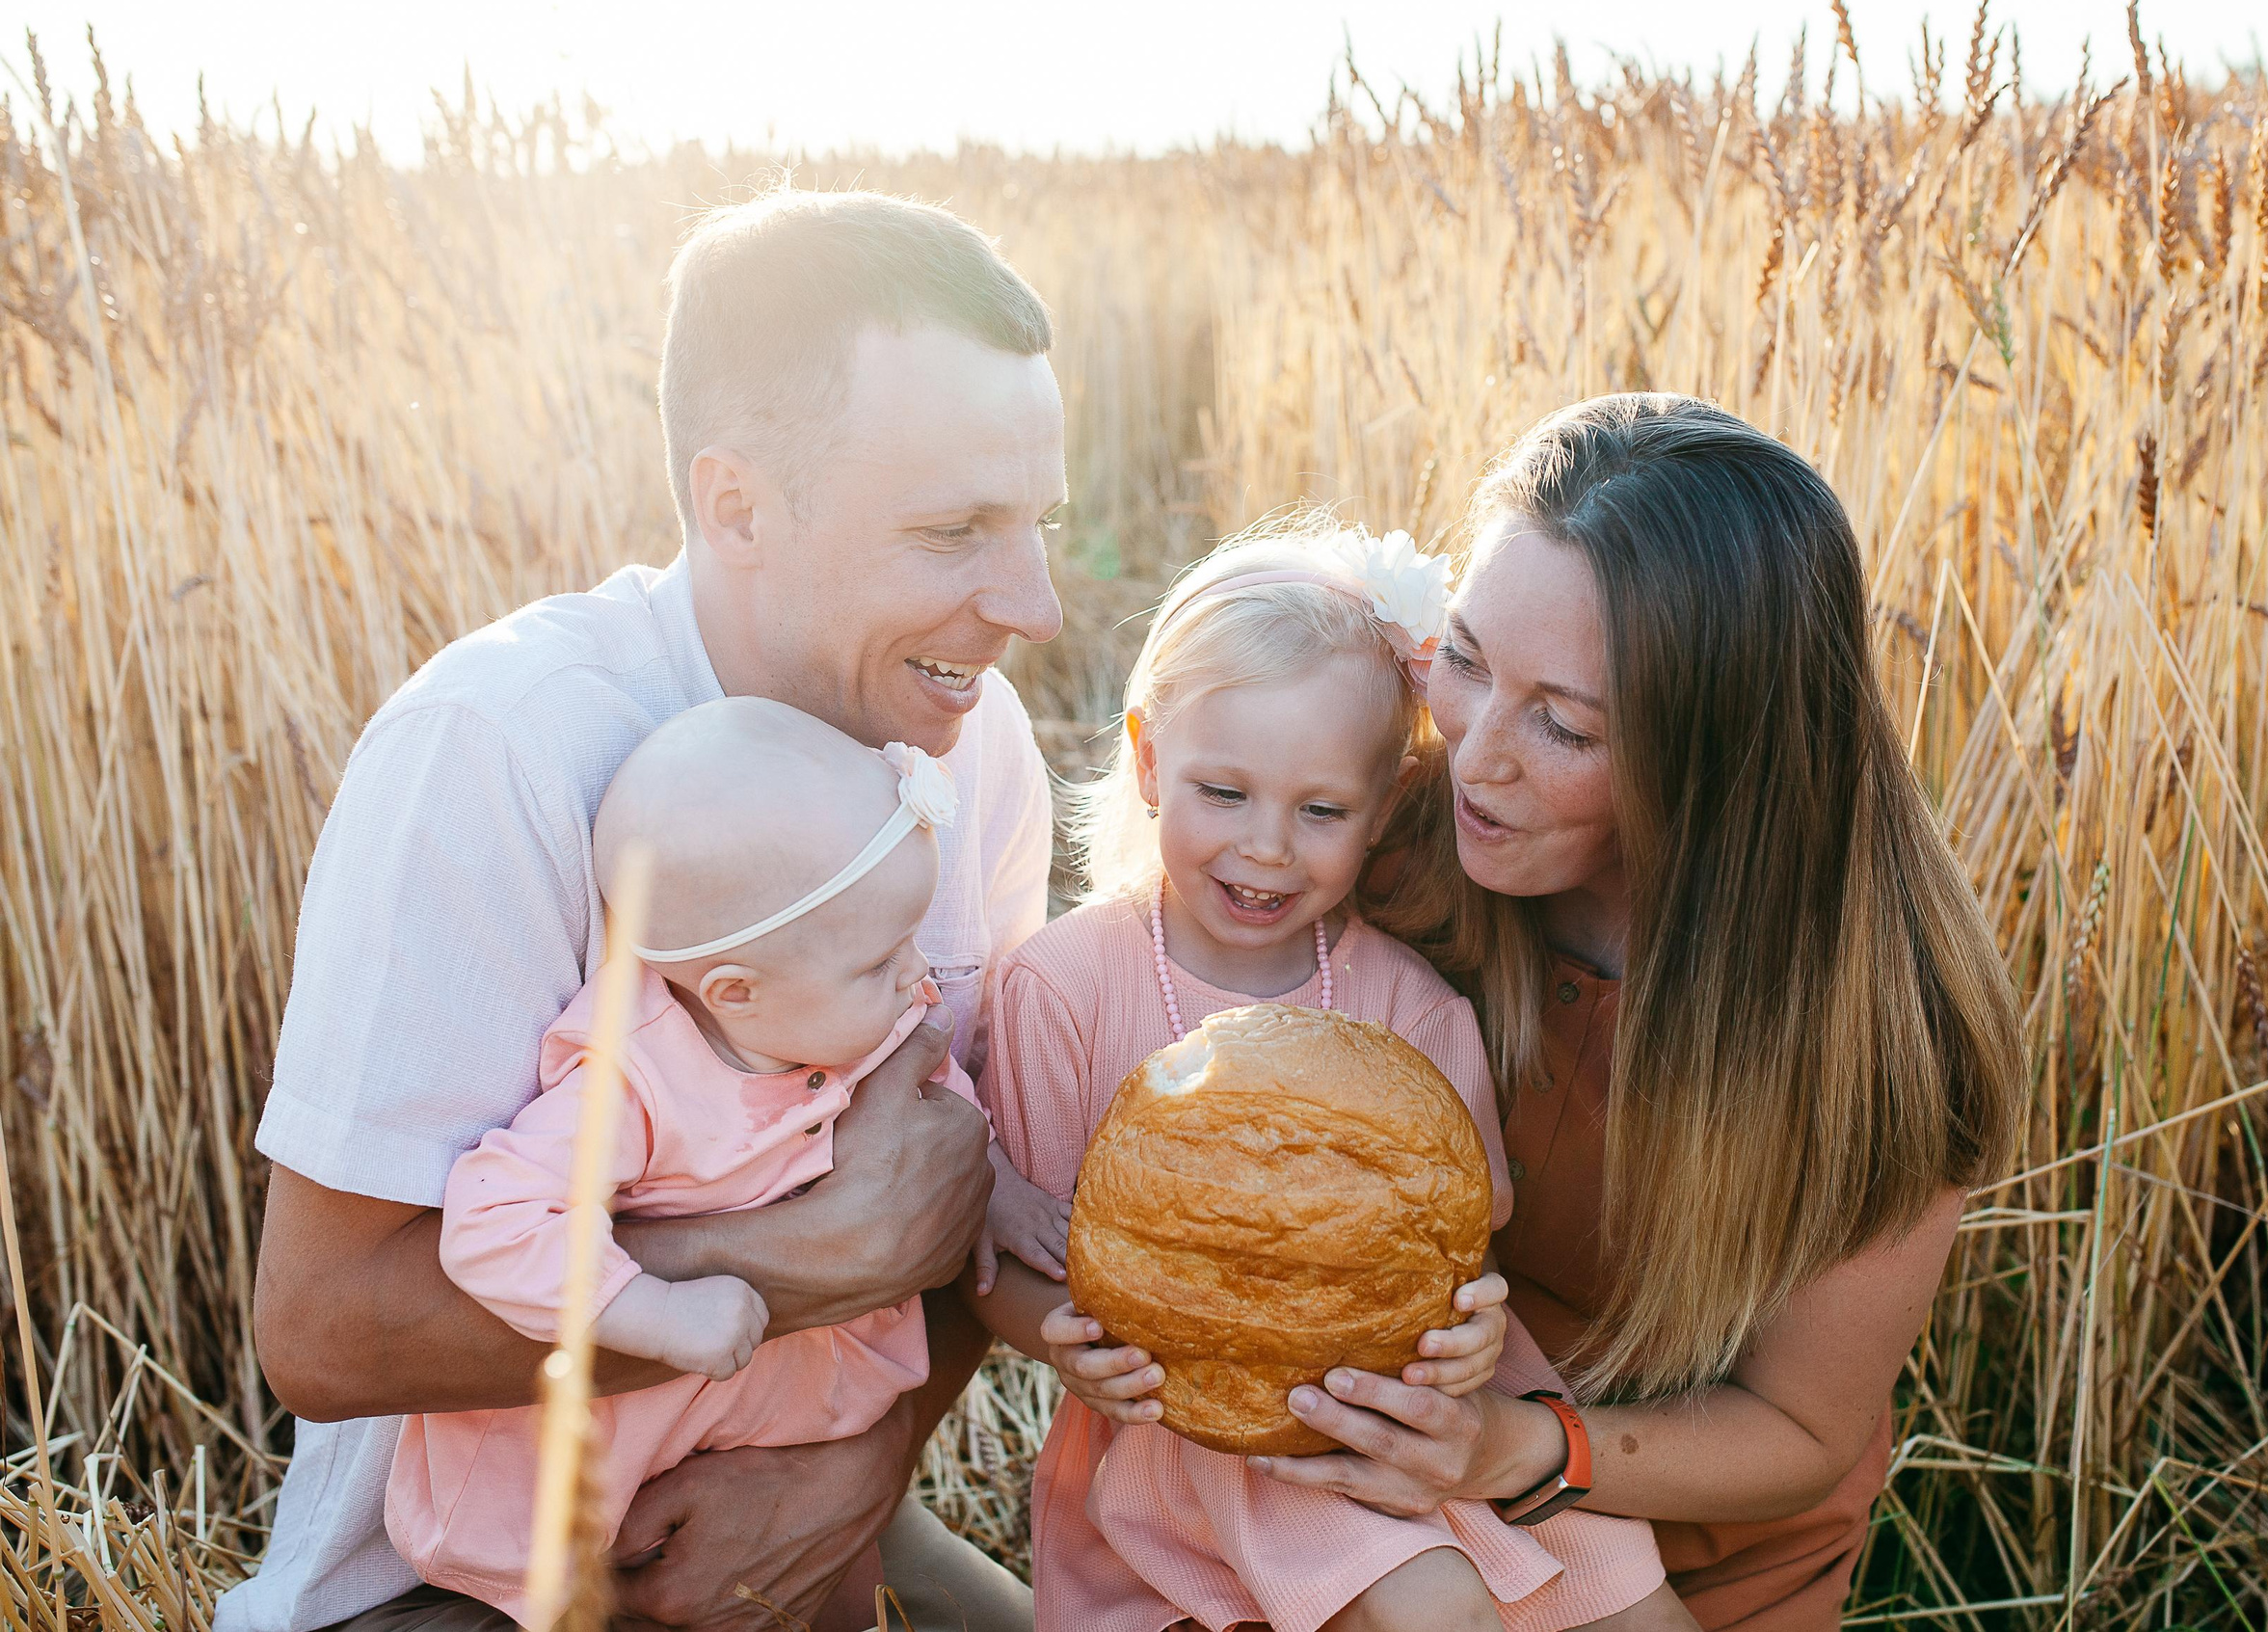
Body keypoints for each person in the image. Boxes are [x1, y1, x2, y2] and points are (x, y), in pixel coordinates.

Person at [227, 190, 1064, 1632]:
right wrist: (810, 1259)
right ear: (734, 502)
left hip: (803, 1483)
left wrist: (861, 1465)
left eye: (1041, 523)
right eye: (954, 529)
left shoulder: (969, 739)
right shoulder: (497, 750)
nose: (1037, 600)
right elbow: (323, 1327)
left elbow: (955, 1188)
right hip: (464, 1580)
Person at [1251, 395, 2028, 1630]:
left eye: (1562, 723)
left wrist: (1516, 1448)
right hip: (1385, 1500)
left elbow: (1800, 1424)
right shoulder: (1395, 841)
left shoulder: (1881, 1022)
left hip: (1691, 1539)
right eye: (1464, 657)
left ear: (1719, 756)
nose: (1473, 752)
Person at [970, 520, 1696, 1632]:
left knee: (1630, 1607)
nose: (1267, 847)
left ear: (1389, 800)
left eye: (1320, 811)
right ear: (1151, 757)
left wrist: (1466, 1332)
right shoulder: (1064, 987)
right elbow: (1013, 1251)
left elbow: (1460, 1237)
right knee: (1431, 1606)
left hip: (1412, 1400)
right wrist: (1062, 1335)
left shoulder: (1408, 1001)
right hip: (1206, 1428)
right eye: (1224, 792)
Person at [389, 704, 1057, 1619]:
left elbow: (945, 1111)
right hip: (607, 1498)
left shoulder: (849, 1016)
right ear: (736, 991)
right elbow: (496, 1224)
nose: (916, 974)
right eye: (881, 958)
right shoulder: (636, 1083)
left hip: (797, 1462)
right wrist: (648, 1310)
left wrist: (1001, 1194)